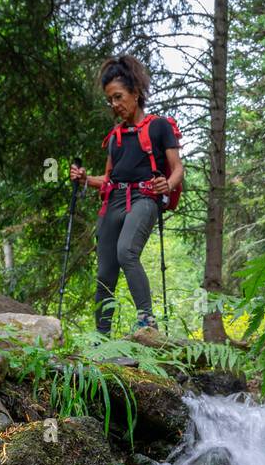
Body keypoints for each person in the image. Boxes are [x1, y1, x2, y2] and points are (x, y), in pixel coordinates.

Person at [69, 55, 184, 336]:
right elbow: (109, 179)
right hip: (114, 202)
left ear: (135, 92)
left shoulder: (159, 127)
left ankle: (147, 321)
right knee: (105, 273)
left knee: (126, 252)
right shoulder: (116, 137)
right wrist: (85, 179)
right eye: (110, 100)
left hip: (146, 198)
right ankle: (101, 337)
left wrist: (166, 185)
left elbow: (178, 168)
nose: (114, 105)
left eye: (118, 97)